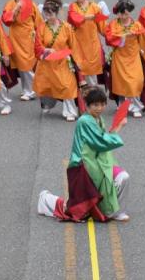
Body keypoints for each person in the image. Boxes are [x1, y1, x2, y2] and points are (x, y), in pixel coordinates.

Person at [36, 87, 132, 222]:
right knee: (76, 210)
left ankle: (116, 211)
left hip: (99, 163)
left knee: (123, 177)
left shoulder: (98, 119)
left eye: (102, 104)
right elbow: (101, 141)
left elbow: (103, 138)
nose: (99, 108)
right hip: (85, 166)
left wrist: (116, 127)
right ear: (87, 105)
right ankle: (45, 200)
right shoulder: (85, 121)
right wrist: (119, 126)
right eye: (95, 105)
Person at [34, 0, 79, 122]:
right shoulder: (41, 27)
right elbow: (37, 45)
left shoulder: (66, 27)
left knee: (67, 86)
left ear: (56, 13)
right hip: (47, 62)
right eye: (46, 14)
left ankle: (70, 111)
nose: (48, 17)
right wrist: (46, 50)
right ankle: (47, 104)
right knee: (46, 85)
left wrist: (76, 61)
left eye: (51, 14)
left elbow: (74, 45)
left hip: (63, 61)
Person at [103, 0, 145, 118]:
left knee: (135, 81)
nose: (123, 15)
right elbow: (108, 38)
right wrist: (123, 36)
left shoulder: (137, 24)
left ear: (129, 12)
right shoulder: (113, 24)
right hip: (119, 57)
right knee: (121, 82)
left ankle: (136, 106)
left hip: (134, 56)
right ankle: (122, 104)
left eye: (125, 12)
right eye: (120, 13)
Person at [1, 0, 38, 101]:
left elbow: (39, 22)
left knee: (26, 64)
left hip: (28, 37)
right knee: (20, 65)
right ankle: (27, 89)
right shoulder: (10, 3)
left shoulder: (32, 4)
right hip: (15, 38)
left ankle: (32, 90)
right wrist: (16, 8)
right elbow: (6, 20)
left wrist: (38, 35)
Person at [67, 0, 106, 86]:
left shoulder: (95, 6)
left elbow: (102, 26)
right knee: (80, 66)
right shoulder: (72, 7)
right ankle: (85, 91)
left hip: (92, 42)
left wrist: (112, 36)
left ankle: (92, 90)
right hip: (78, 42)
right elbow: (74, 19)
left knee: (92, 69)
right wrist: (87, 17)